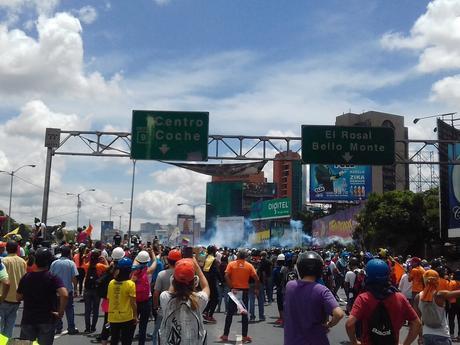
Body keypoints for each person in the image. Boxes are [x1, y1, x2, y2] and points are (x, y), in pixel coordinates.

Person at [346, 259, 421, 345]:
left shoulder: (363, 299)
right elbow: (417, 323)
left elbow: (349, 324)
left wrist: (354, 342)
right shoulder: (400, 298)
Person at [284, 251, 344, 345]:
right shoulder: (322, 290)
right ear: (319, 269)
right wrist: (329, 324)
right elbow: (339, 314)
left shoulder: (290, 286)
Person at [17, 247, 68, 345]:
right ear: (49, 262)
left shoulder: (26, 277)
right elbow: (64, 295)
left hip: (28, 319)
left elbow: (18, 297)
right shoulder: (52, 278)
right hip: (47, 319)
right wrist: (60, 313)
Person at [158, 258, 210, 344]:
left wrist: (175, 277)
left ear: (173, 281)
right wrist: (197, 267)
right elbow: (206, 287)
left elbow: (171, 291)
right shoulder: (199, 299)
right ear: (194, 281)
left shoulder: (165, 297)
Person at [221, 248, 260, 344]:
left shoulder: (231, 264)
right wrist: (256, 289)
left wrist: (231, 286)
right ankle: (244, 336)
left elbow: (226, 276)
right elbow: (257, 278)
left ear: (237, 256)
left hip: (234, 291)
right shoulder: (249, 265)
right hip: (244, 292)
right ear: (246, 257)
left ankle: (225, 335)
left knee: (230, 313)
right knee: (244, 314)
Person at [414, 269, 460, 345]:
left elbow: (418, 321)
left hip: (426, 336)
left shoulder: (417, 297)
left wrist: (420, 337)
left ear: (424, 280)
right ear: (437, 280)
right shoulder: (440, 295)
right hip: (442, 336)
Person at [152, 249, 182, 345]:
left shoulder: (161, 274)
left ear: (168, 260)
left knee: (158, 333)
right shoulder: (183, 274)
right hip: (180, 309)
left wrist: (156, 307)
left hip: (164, 309)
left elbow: (156, 293)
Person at [50, 245, 79, 334]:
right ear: (69, 253)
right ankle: (71, 328)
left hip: (56, 291)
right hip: (68, 291)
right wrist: (75, 289)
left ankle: (58, 327)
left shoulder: (54, 263)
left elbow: (50, 276)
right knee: (69, 309)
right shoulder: (71, 263)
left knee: (57, 309)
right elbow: (74, 277)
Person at [107, 257, 137, 345]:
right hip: (126, 317)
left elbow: (109, 299)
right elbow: (133, 303)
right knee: (126, 340)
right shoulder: (130, 284)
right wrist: (135, 316)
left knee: (114, 339)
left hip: (113, 316)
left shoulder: (111, 282)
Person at [0, 240, 27, 337]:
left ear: (6, 249)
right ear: (17, 249)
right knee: (9, 329)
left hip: (3, 298)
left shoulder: (4, 261)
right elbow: (24, 279)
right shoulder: (23, 262)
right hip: (16, 299)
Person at [131, 250, 156, 345]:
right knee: (143, 326)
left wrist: (138, 257)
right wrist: (152, 252)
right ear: (147, 261)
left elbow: (135, 261)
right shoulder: (149, 271)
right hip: (146, 300)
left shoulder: (133, 272)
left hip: (134, 300)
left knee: (132, 325)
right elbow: (155, 262)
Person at [83, 249, 108, 333]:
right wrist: (104, 260)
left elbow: (83, 266)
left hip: (87, 289)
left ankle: (87, 327)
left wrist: (86, 258)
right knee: (95, 309)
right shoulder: (100, 266)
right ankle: (93, 327)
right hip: (96, 290)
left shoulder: (87, 265)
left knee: (87, 309)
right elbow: (108, 268)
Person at [202, 245, 221, 323]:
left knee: (212, 298)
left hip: (206, 281)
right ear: (213, 251)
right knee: (216, 298)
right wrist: (221, 280)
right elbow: (216, 271)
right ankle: (209, 315)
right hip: (212, 281)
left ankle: (206, 311)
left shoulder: (206, 258)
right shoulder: (213, 259)